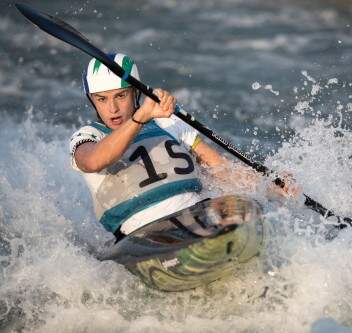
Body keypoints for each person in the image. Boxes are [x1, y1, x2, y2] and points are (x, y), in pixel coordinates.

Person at [70, 53, 297, 241]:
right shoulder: (88, 136)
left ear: (135, 93)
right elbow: (93, 161)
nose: (113, 108)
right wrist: (141, 116)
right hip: (142, 235)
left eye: (121, 96)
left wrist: (270, 184)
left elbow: (220, 169)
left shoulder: (167, 121)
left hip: (198, 214)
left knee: (252, 208)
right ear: (91, 100)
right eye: (101, 99)